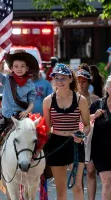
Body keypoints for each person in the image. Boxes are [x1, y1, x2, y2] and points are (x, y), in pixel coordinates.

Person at [0, 52, 38, 177]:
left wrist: (27, 111)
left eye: (22, 66)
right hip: (7, 118)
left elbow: (31, 102)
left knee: (38, 138)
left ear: (27, 68)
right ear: (11, 68)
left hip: (22, 117)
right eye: (16, 66)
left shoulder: (30, 85)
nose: (19, 69)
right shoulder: (6, 79)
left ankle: (39, 165)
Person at [43, 63, 90, 200]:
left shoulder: (80, 100)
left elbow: (87, 125)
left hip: (74, 144)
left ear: (70, 79)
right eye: (57, 78)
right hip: (56, 144)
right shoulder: (48, 101)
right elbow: (46, 129)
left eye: (63, 78)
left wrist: (81, 135)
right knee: (60, 189)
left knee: (77, 186)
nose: (60, 81)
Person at [76, 66, 99, 200]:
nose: (81, 84)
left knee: (90, 171)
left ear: (89, 82)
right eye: (78, 81)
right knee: (78, 174)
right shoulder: (72, 99)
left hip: (92, 138)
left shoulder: (96, 99)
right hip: (77, 137)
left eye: (84, 81)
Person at [90, 76, 111, 200]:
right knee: (107, 182)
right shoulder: (98, 104)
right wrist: (93, 115)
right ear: (107, 88)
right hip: (101, 151)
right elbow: (84, 121)